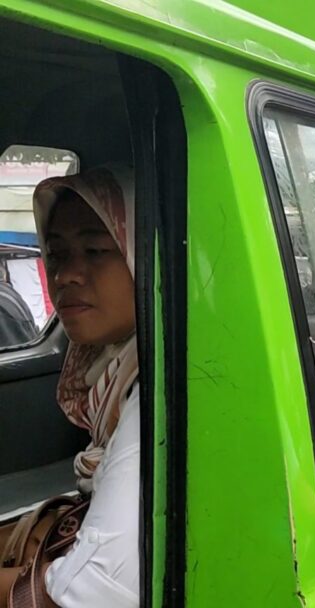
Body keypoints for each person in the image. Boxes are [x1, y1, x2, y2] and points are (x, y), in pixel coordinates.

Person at [23, 167, 138, 606]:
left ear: (142, 254)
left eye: (94, 250)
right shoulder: (118, 368)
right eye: (56, 254)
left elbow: (91, 595)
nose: (64, 275)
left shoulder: (162, 395)